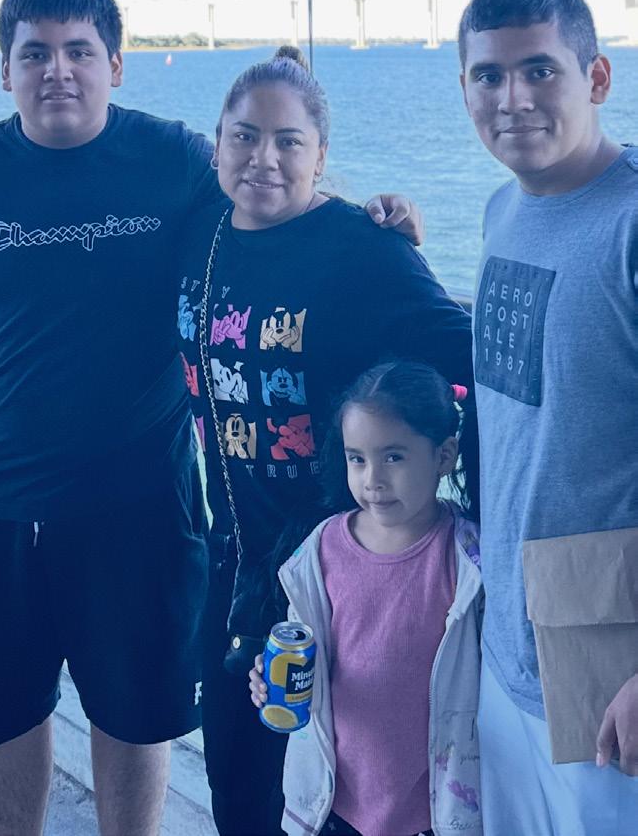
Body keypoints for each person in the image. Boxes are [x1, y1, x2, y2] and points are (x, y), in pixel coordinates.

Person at [0, 0, 423, 836]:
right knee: (1, 710)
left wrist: (371, 224)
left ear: (115, 65)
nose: (58, 70)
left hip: (143, 499)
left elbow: (271, 189)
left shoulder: (172, 158)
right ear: (4, 69)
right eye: (35, 53)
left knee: (137, 711)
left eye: (79, 51)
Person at [175, 47, 477, 835]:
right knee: (241, 791)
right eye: (244, 136)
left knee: (343, 799)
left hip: (337, 573)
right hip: (233, 564)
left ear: (320, 155)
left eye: (288, 142)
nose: (263, 158)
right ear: (216, 142)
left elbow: (472, 359)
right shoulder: (197, 232)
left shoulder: (361, 249)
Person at [459, 0, 638, 834]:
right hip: (508, 638)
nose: (512, 98)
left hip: (611, 659)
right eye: (488, 75)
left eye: (538, 70)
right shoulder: (501, 209)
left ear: (594, 78)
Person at [249, 360, 483, 836]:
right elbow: (303, 654)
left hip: (433, 814)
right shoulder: (322, 549)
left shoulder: (470, 560)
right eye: (357, 458)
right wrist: (268, 681)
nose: (372, 478)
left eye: (393, 457)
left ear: (444, 456)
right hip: (333, 807)